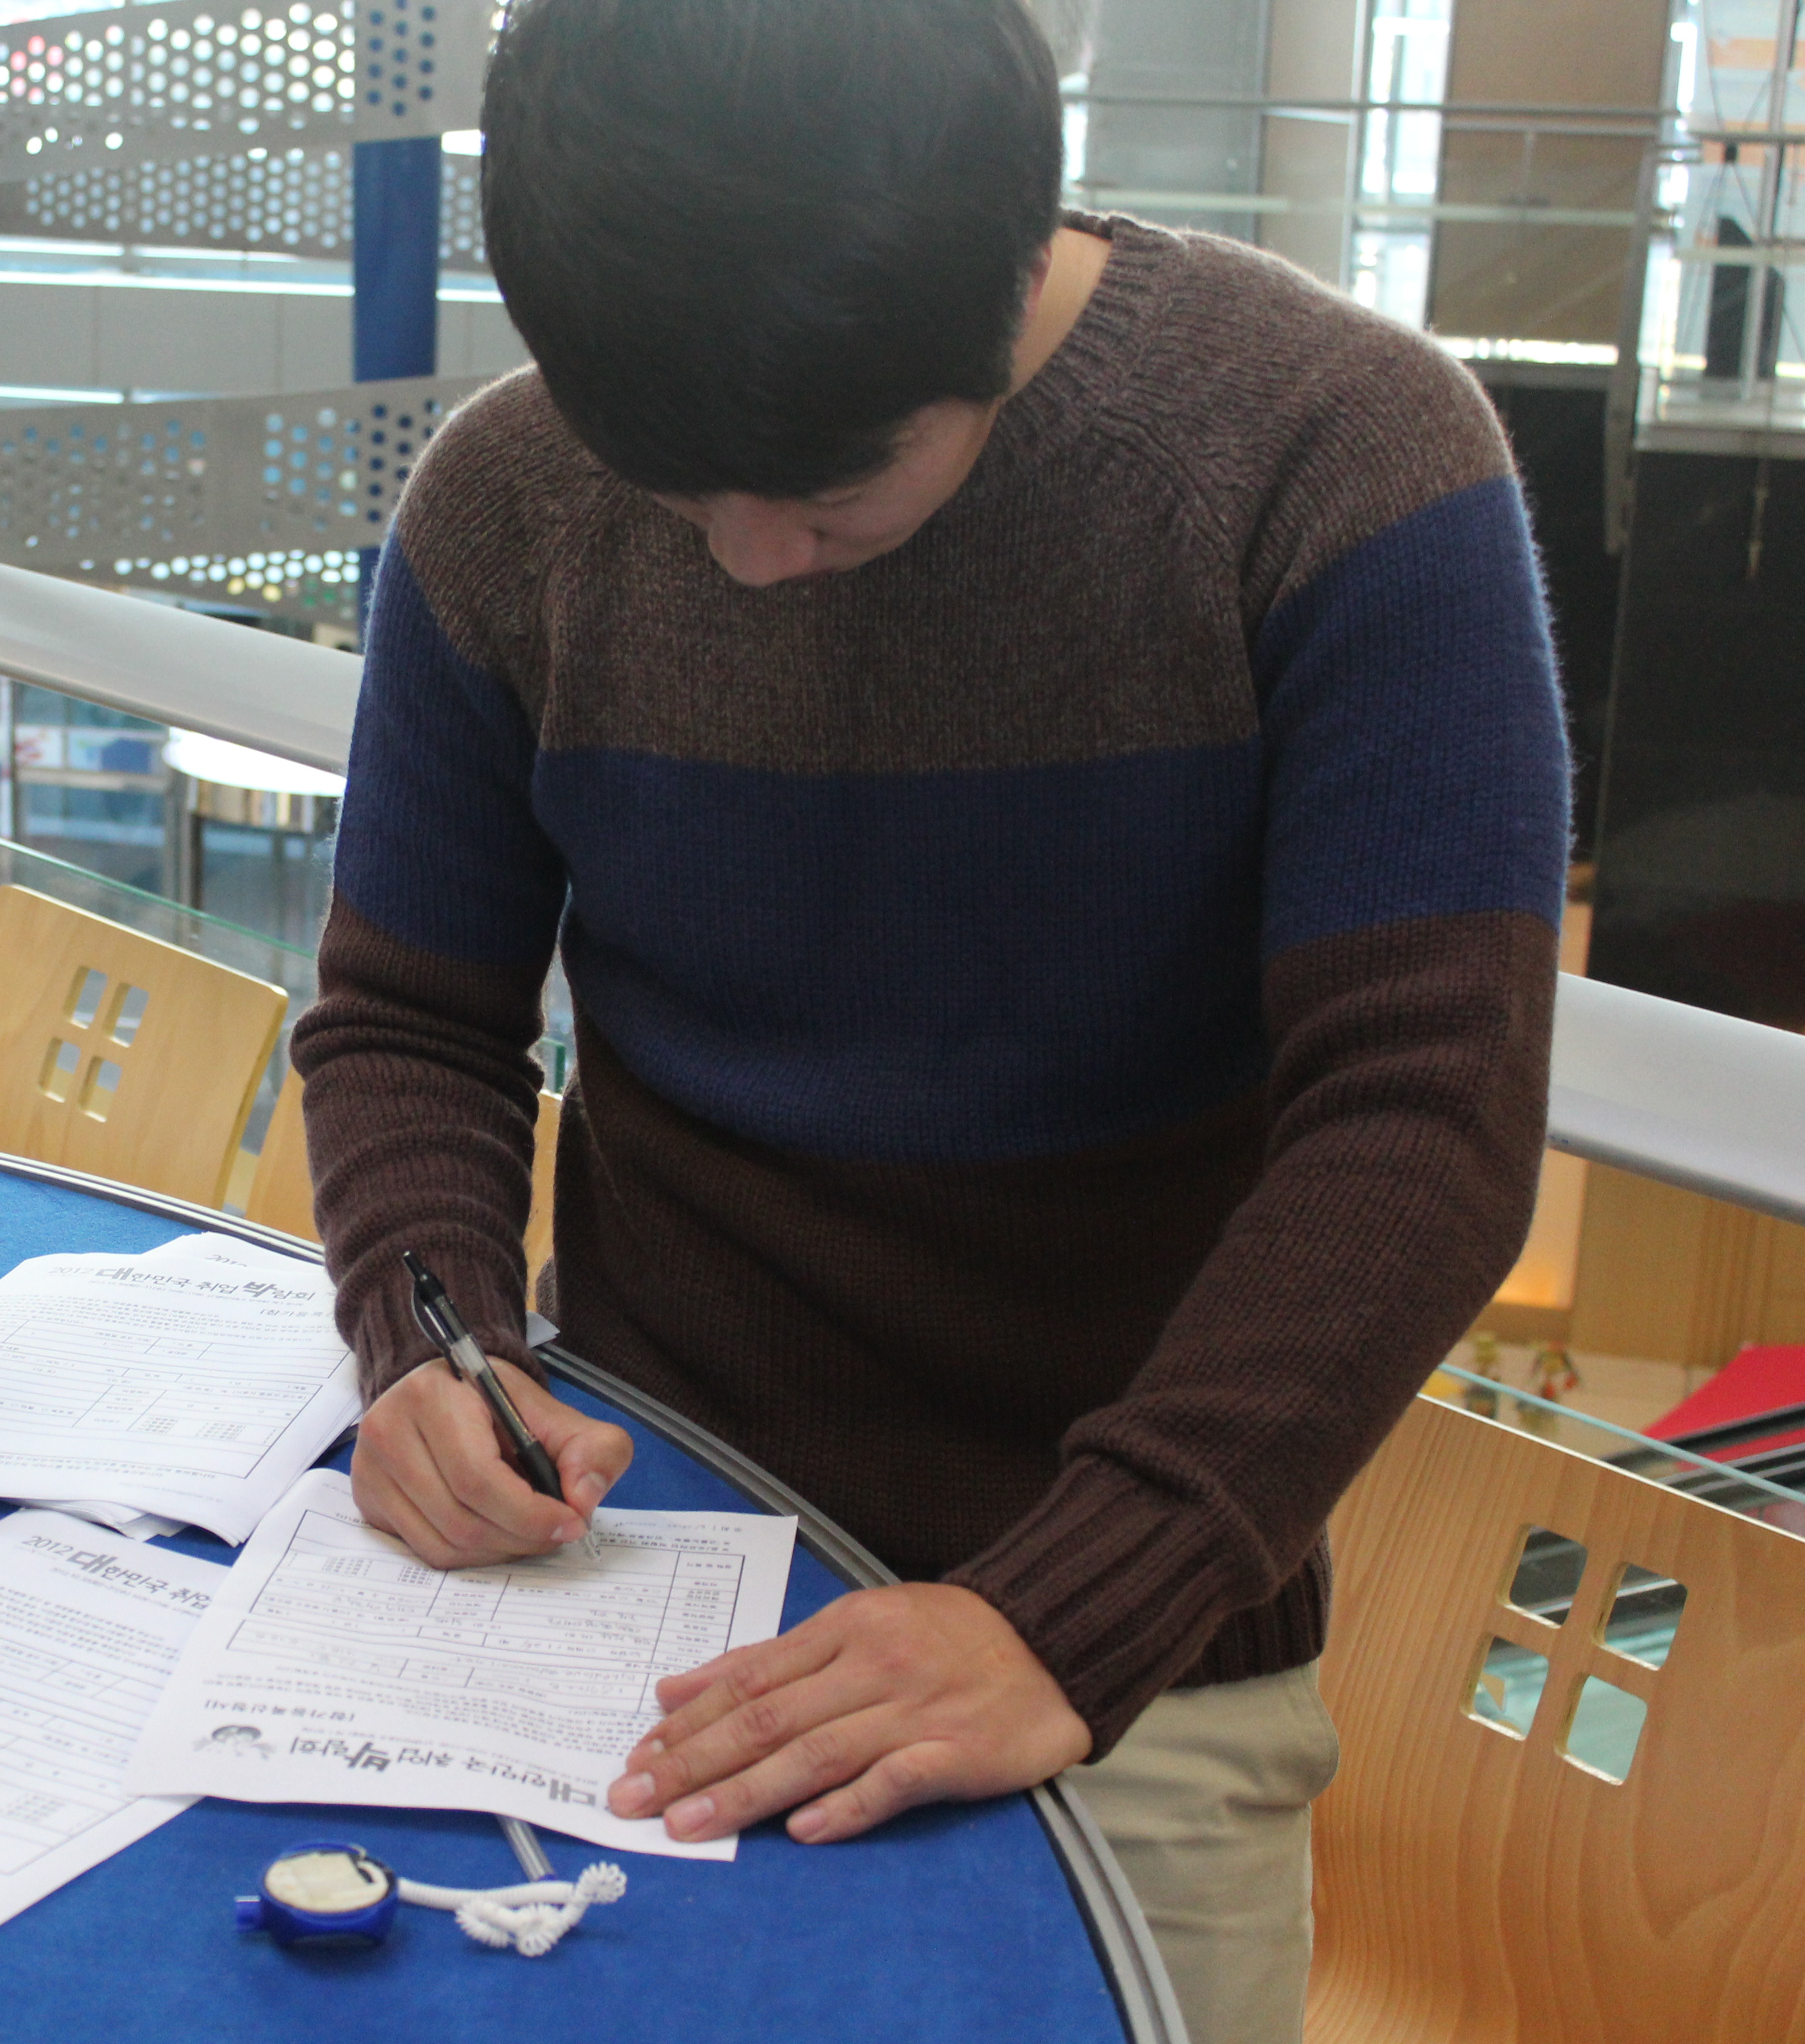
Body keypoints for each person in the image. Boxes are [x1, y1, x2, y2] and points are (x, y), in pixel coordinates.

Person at [290, 0, 1567, 2033]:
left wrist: (1073, 1606)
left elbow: (1429, 1118)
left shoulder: (1341, 458)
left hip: (1134, 1648)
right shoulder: (511, 491)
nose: (750, 559)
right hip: (630, 1564)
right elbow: (408, 1021)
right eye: (676, 482)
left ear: (1004, 265)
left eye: (827, 485)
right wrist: (438, 1343)